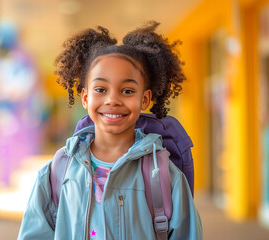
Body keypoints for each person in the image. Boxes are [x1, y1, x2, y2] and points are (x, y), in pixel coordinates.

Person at [17, 21, 203, 240]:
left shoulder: (162, 174)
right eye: (100, 89)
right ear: (86, 98)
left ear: (145, 99)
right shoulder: (59, 171)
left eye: (127, 90)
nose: (112, 100)